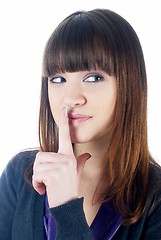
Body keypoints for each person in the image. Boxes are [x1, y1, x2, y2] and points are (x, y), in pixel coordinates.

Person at [0, 8, 161, 240]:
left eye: (93, 78)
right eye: (58, 79)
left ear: (129, 84)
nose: (71, 98)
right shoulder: (20, 175)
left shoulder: (154, 200)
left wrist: (67, 211)